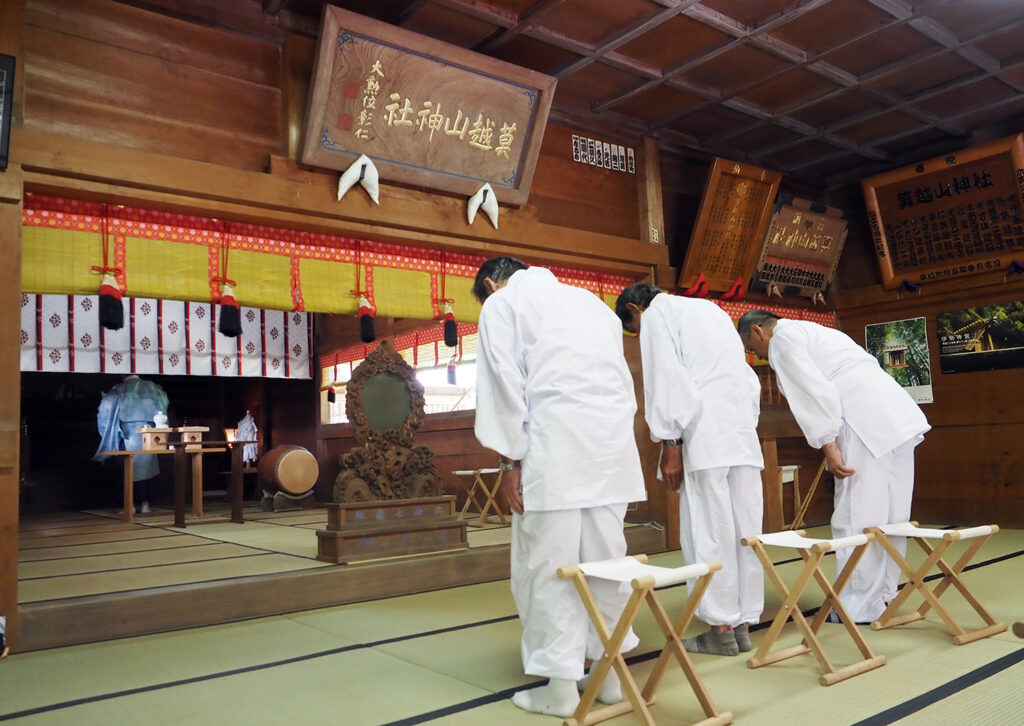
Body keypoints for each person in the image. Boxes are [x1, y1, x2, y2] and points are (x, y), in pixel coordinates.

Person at [472, 257, 647, 718]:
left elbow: (505, 385)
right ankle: (607, 677)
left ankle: (561, 688)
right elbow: (618, 380)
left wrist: (509, 457)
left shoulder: (503, 303)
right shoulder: (589, 302)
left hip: (555, 449)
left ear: (492, 284)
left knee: (549, 566)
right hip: (609, 449)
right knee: (606, 563)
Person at [737, 310, 930, 624]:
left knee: (859, 514)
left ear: (758, 331)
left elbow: (813, 393)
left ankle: (856, 605)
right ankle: (883, 595)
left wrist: (829, 446)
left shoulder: (782, 340)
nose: (755, 354)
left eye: (751, 346)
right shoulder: (815, 330)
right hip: (896, 414)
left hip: (861, 418)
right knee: (892, 516)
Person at [616, 283, 764, 656]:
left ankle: (721, 627)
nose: (638, 334)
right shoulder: (712, 311)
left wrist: (670, 443)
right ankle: (743, 623)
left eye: (634, 326)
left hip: (705, 437)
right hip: (742, 434)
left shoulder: (659, 315)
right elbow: (748, 380)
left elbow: (667, 379)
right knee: (745, 532)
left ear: (637, 308)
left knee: (709, 531)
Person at [93, 374, 170, 513]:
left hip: (127, 436)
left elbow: (105, 411)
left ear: (122, 374)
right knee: (148, 468)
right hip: (150, 435)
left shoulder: (118, 389)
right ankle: (146, 504)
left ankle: (130, 505)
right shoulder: (153, 388)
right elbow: (163, 406)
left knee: (127, 468)